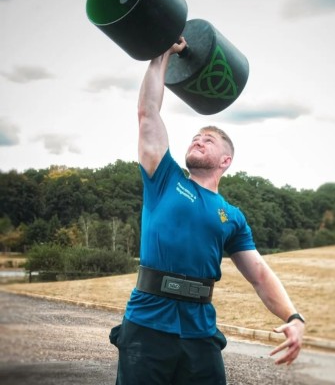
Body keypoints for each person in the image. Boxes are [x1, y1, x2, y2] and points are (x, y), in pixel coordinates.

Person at [109, 37, 305, 385]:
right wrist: (162, 53)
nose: (198, 140)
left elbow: (259, 274)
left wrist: (293, 316)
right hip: (147, 324)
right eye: (196, 137)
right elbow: (147, 114)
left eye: (208, 140)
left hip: (200, 333)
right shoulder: (165, 178)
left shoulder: (232, 215)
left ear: (225, 162)